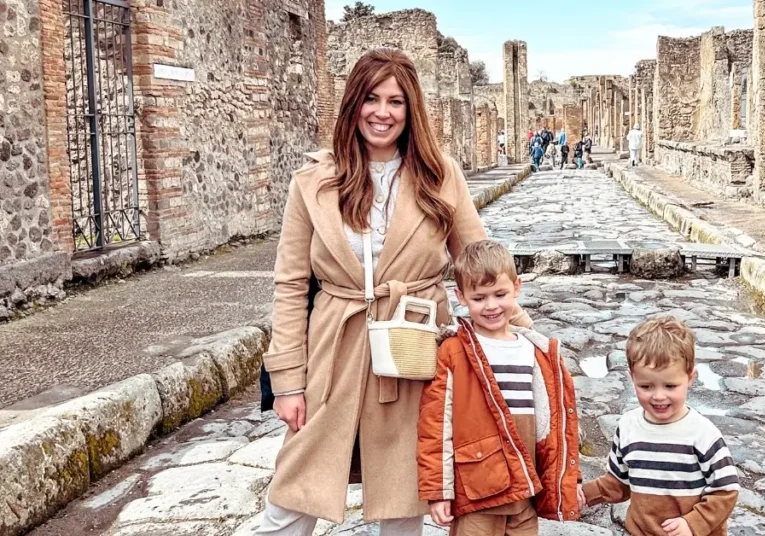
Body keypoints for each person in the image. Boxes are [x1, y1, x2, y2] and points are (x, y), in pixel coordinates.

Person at [257, 47, 532, 536]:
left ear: (411, 110)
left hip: (413, 341)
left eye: (396, 101)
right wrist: (287, 381)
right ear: (352, 104)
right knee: (295, 485)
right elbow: (290, 282)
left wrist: (522, 337)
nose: (382, 112)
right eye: (371, 98)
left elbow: (479, 260)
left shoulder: (439, 174)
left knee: (404, 489)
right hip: (333, 345)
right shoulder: (313, 182)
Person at [418, 240, 581, 535]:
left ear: (516, 288)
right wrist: (439, 489)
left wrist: (569, 479)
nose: (491, 306)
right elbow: (435, 424)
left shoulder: (537, 351)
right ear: (461, 296)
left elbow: (558, 427)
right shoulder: (455, 351)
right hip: (478, 494)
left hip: (525, 493)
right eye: (479, 298)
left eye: (500, 294)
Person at [578, 317, 740, 536]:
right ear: (631, 378)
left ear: (690, 378)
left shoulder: (703, 434)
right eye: (646, 386)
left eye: (671, 385)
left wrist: (694, 523)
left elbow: (726, 490)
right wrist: (584, 494)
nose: (659, 396)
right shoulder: (627, 427)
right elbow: (617, 483)